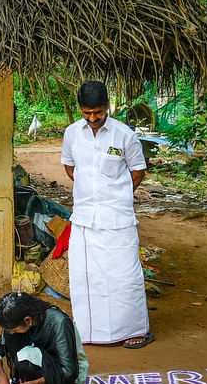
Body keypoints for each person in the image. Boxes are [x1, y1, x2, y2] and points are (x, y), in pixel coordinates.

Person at [60, 80, 154, 347]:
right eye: (87, 113)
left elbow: (137, 171)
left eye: (98, 112)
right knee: (87, 276)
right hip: (84, 218)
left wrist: (116, 193)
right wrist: (89, 190)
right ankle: (89, 333)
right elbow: (70, 166)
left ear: (107, 107)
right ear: (80, 109)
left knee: (124, 275)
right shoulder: (72, 134)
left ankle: (134, 330)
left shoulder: (124, 135)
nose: (93, 118)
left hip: (118, 218)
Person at [0, 292, 89, 384]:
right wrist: (0, 375)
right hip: (43, 360)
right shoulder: (15, 318)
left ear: (28, 320)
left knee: (25, 357)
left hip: (69, 372)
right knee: (12, 340)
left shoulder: (59, 321)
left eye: (14, 329)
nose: (12, 332)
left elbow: (69, 370)